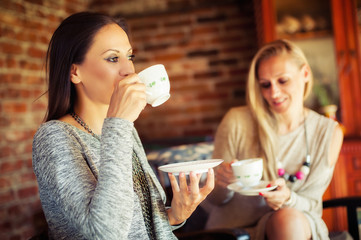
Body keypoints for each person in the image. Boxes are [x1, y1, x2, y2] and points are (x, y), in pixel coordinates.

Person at [32, 12, 214, 240]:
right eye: (112, 58)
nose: (129, 70)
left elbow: (138, 226)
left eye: (130, 56)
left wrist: (175, 216)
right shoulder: (55, 137)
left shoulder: (124, 129)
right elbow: (104, 234)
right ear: (74, 72)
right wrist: (119, 123)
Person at [204, 39, 344, 240]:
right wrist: (222, 183)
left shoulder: (327, 133)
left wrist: (288, 199)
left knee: (286, 218)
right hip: (234, 229)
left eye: (283, 80)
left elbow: (312, 203)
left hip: (294, 225)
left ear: (305, 74)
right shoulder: (237, 121)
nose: (274, 93)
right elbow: (214, 200)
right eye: (265, 85)